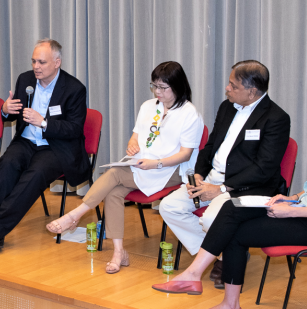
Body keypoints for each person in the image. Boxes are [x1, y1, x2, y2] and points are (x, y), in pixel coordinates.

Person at [152, 83, 307, 307]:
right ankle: (217, 294)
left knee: (234, 230)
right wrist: (293, 198)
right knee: (232, 209)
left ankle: (205, 285)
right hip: (305, 212)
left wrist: (290, 212)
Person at [46, 61, 204, 273]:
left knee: (115, 173)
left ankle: (75, 215)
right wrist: (132, 145)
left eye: (163, 88)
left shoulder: (189, 113)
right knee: (113, 192)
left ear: (178, 86)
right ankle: (119, 252)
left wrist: (155, 163)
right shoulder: (148, 106)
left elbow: (185, 153)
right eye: (154, 86)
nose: (157, 92)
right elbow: (135, 136)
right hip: (142, 166)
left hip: (171, 171)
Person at [158, 60, 290, 287]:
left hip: (245, 187)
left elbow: (263, 169)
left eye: (233, 85)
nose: (227, 89)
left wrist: (220, 189)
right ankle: (222, 254)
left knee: (211, 218)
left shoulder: (276, 118)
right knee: (169, 207)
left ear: (252, 91)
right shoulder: (226, 107)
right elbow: (209, 147)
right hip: (211, 179)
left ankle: (221, 254)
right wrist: (198, 175)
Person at [0, 39, 89, 250]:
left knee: (34, 175)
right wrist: (6, 109)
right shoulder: (25, 79)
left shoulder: (74, 88)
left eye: (42, 62)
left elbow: (74, 129)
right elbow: (10, 116)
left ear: (57, 62)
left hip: (56, 147)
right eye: (34, 61)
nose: (36, 67)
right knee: (7, 164)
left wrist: (44, 122)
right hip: (26, 141)